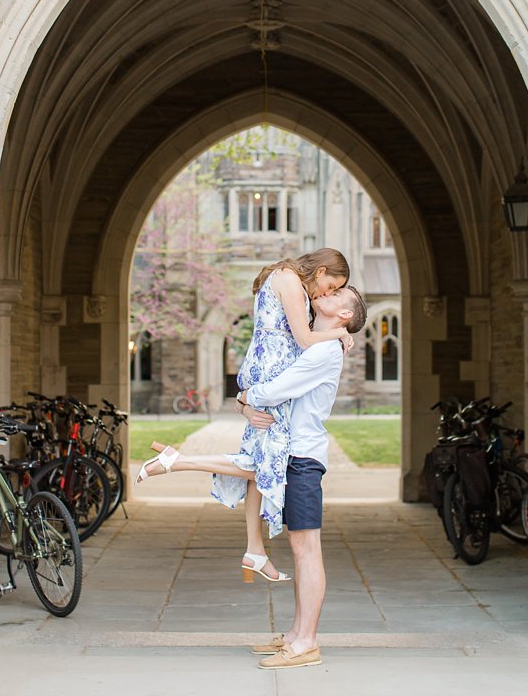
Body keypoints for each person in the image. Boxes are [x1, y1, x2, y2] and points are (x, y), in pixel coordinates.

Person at [137, 283, 367, 668]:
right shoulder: (317, 339)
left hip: (303, 457)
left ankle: (306, 642)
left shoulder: (324, 350)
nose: (324, 293)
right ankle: (294, 635)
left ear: (344, 314)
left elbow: (273, 391)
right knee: (262, 486)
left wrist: (244, 399)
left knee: (306, 549)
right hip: (287, 450)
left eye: (334, 295)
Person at [134, 248, 352, 582]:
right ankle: (178, 461)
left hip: (267, 370)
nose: (326, 293)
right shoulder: (291, 281)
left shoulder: (284, 278)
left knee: (258, 459)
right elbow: (306, 339)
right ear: (320, 270)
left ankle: (255, 549)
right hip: (274, 373)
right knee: (267, 464)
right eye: (331, 285)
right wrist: (340, 332)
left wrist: (244, 402)